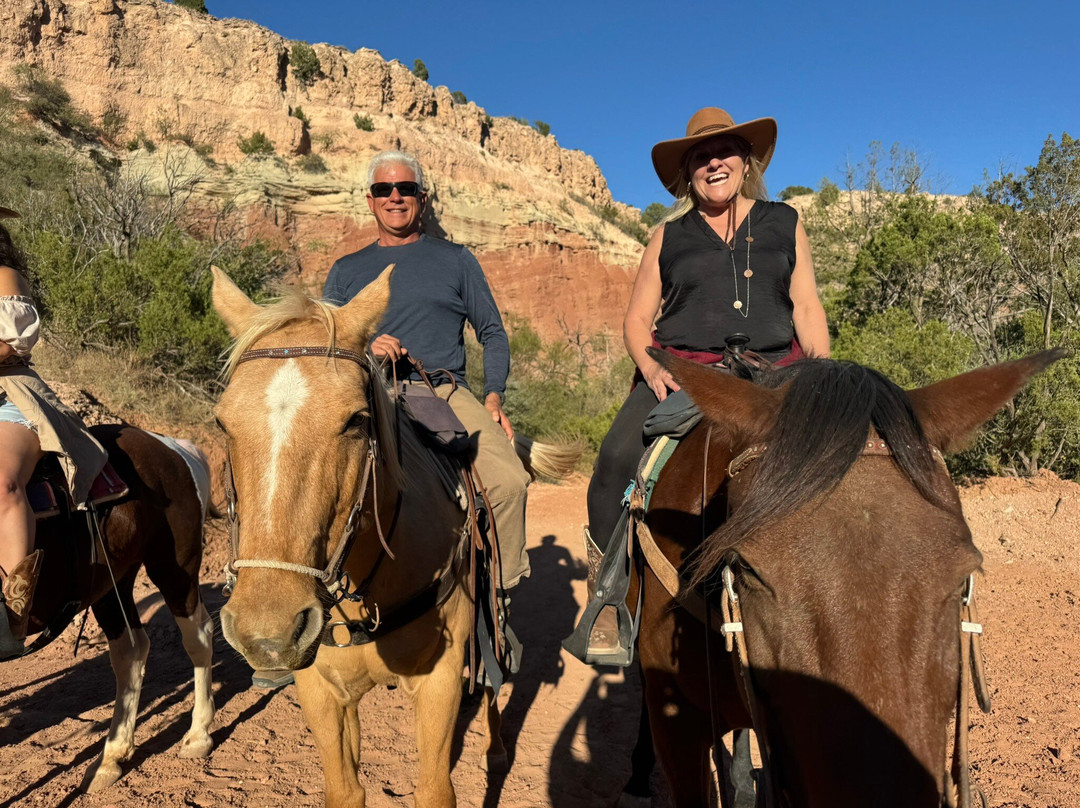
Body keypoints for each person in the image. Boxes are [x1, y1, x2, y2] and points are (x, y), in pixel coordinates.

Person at [583, 108, 830, 650]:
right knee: (615, 457)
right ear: (687, 172)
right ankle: (607, 599)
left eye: (724, 152)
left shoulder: (784, 221)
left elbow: (806, 305)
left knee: (844, 454)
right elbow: (635, 320)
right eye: (701, 156)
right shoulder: (667, 236)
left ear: (746, 161)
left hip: (773, 371)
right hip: (682, 371)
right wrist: (650, 368)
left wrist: (821, 373)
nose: (714, 162)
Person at [322, 150, 531, 638]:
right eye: (383, 190)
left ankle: (495, 599)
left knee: (506, 484)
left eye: (405, 189)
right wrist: (365, 342)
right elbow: (325, 336)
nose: (395, 197)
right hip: (364, 391)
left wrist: (494, 397)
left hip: (438, 390)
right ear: (370, 202)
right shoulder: (347, 270)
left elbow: (493, 333)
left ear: (423, 197)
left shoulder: (455, 259)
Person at [0, 206, 109, 656]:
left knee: (3, 485)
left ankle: (9, 617)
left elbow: (8, 345)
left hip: (9, 397)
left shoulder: (4, 277)